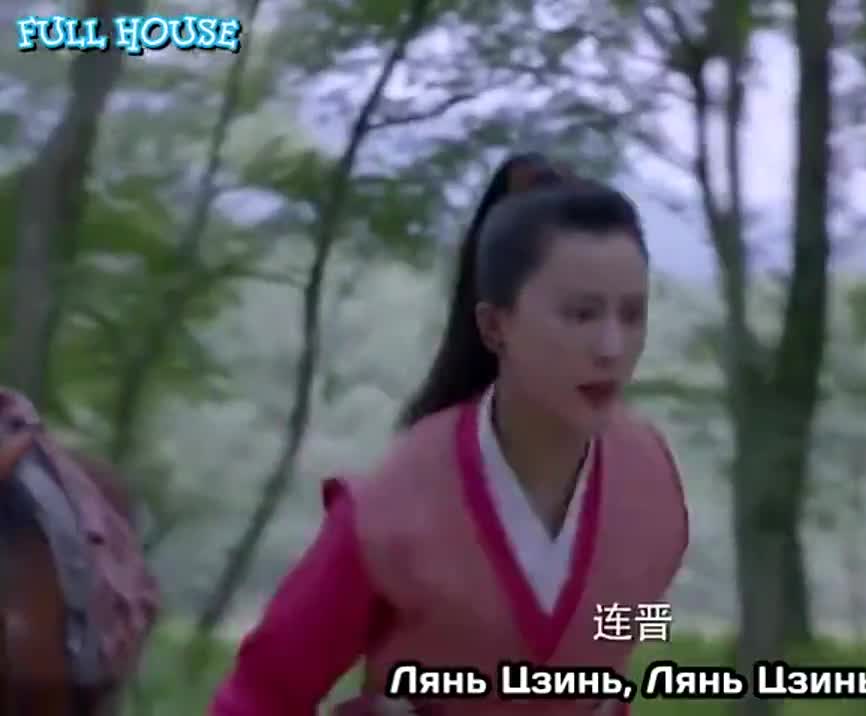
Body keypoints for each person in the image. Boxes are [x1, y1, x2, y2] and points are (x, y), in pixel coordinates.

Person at [209, 153, 689, 715]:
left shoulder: (652, 483)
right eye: (581, 315)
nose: (612, 347)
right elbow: (260, 695)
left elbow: (620, 648)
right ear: (496, 326)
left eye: (631, 315)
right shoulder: (391, 507)